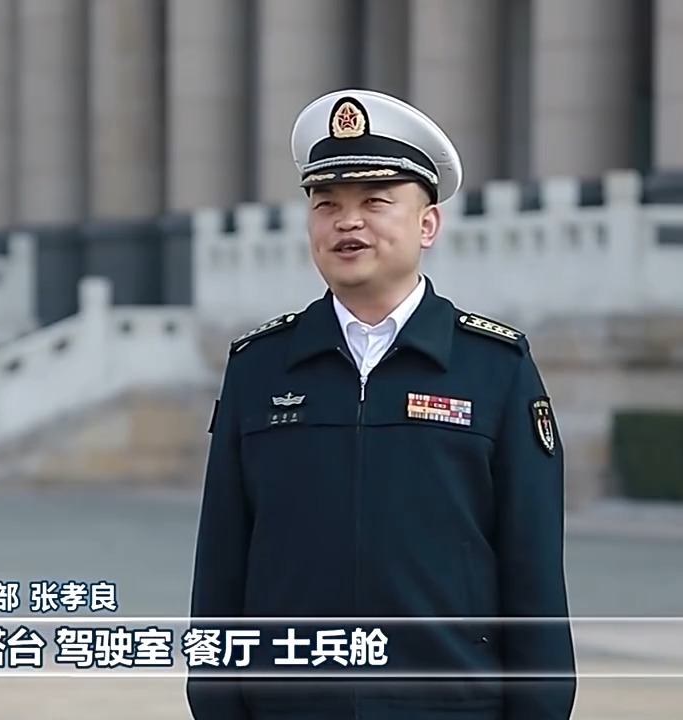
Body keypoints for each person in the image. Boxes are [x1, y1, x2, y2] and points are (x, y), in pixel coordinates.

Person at [186, 88, 577, 720]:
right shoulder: (259, 367)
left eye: (375, 201)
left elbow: (534, 575)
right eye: (327, 204)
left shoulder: (494, 368)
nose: (348, 222)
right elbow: (221, 568)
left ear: (427, 224)